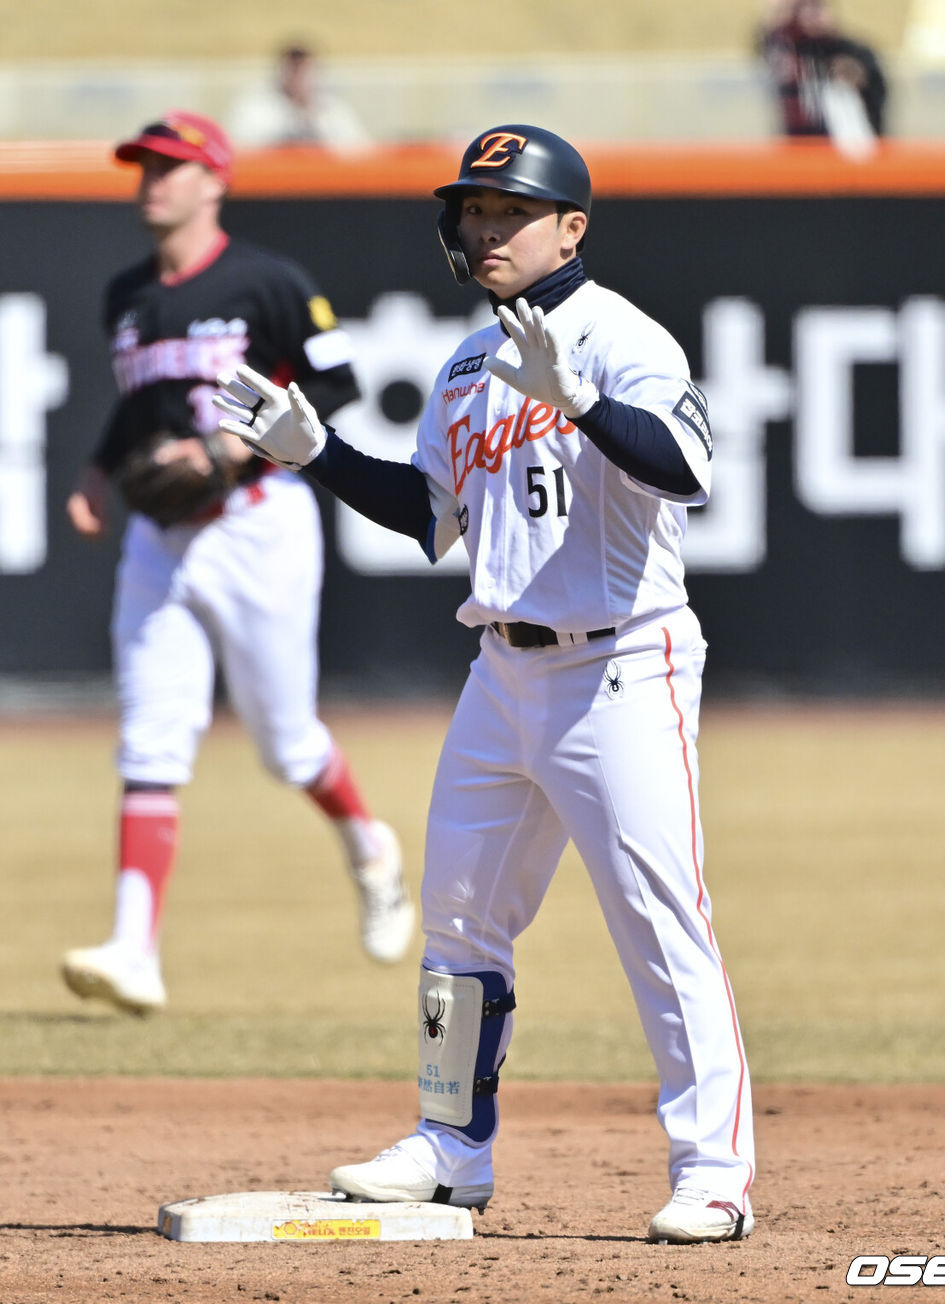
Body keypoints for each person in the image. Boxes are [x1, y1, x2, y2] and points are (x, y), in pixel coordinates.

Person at [214, 124, 755, 1244]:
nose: (487, 229)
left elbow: (691, 467)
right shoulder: (466, 364)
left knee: (661, 922)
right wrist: (316, 454)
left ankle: (713, 1171)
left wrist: (586, 403)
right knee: (459, 915)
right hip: (500, 670)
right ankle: (452, 1146)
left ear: (572, 226)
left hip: (620, 661)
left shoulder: (623, 336)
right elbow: (429, 514)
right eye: (474, 212)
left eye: (510, 211)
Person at [60, 109, 415, 1017]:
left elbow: (336, 382)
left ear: (214, 179)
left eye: (170, 168)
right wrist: (101, 472)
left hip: (258, 522)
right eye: (143, 167)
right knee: (151, 734)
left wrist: (229, 448)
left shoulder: (269, 282)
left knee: (285, 739)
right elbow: (139, 406)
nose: (152, 183)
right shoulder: (127, 297)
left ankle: (371, 847)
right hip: (159, 538)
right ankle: (133, 949)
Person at [756, 0, 888, 145]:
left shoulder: (854, 51)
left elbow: (878, 94)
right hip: (801, 146)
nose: (812, 14)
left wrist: (859, 78)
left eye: (817, 6)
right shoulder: (791, 50)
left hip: (848, 145)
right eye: (804, 8)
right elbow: (767, 41)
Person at [227, 45, 372, 152]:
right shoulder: (256, 107)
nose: (299, 78)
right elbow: (240, 150)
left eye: (305, 70)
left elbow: (359, 151)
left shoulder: (332, 109)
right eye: (294, 70)